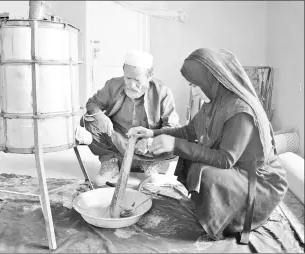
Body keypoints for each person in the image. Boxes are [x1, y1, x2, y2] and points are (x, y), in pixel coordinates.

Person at [128, 48, 288, 242]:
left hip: (258, 182)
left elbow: (225, 159)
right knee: (191, 155)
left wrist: (175, 144)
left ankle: (230, 219)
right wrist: (153, 133)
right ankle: (212, 207)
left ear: (212, 80)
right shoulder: (213, 103)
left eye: (196, 85)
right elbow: (188, 132)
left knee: (207, 172)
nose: (194, 92)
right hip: (236, 168)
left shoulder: (241, 111)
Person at [82, 50, 180, 186]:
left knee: (180, 140)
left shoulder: (163, 93)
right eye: (128, 78)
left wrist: (150, 141)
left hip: (146, 143)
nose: (131, 85)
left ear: (149, 75)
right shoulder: (112, 85)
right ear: (123, 72)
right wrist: (100, 116)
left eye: (137, 80)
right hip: (118, 138)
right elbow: (92, 103)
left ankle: (150, 164)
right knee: (89, 120)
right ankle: (110, 163)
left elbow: (172, 127)